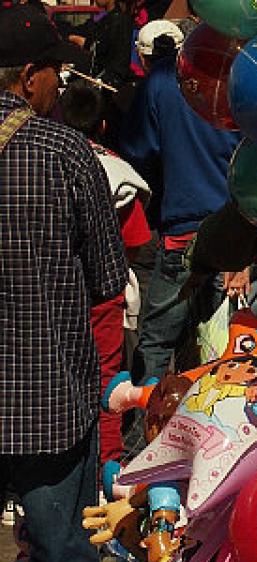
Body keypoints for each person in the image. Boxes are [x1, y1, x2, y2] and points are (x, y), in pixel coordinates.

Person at [0, 4, 128, 562]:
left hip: (43, 405)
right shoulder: (62, 152)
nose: (60, 83)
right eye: (56, 70)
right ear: (29, 76)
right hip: (44, 404)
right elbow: (107, 278)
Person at [119, 19, 240, 384]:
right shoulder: (244, 75)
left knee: (157, 343)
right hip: (235, 236)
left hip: (184, 232)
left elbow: (139, 150)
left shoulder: (161, 81)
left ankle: (144, 434)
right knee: (229, 347)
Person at [58, 81, 152, 467]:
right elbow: (137, 240)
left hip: (51, 294)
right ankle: (106, 473)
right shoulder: (117, 171)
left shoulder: (40, 159)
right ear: (102, 126)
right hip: (104, 298)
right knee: (107, 384)